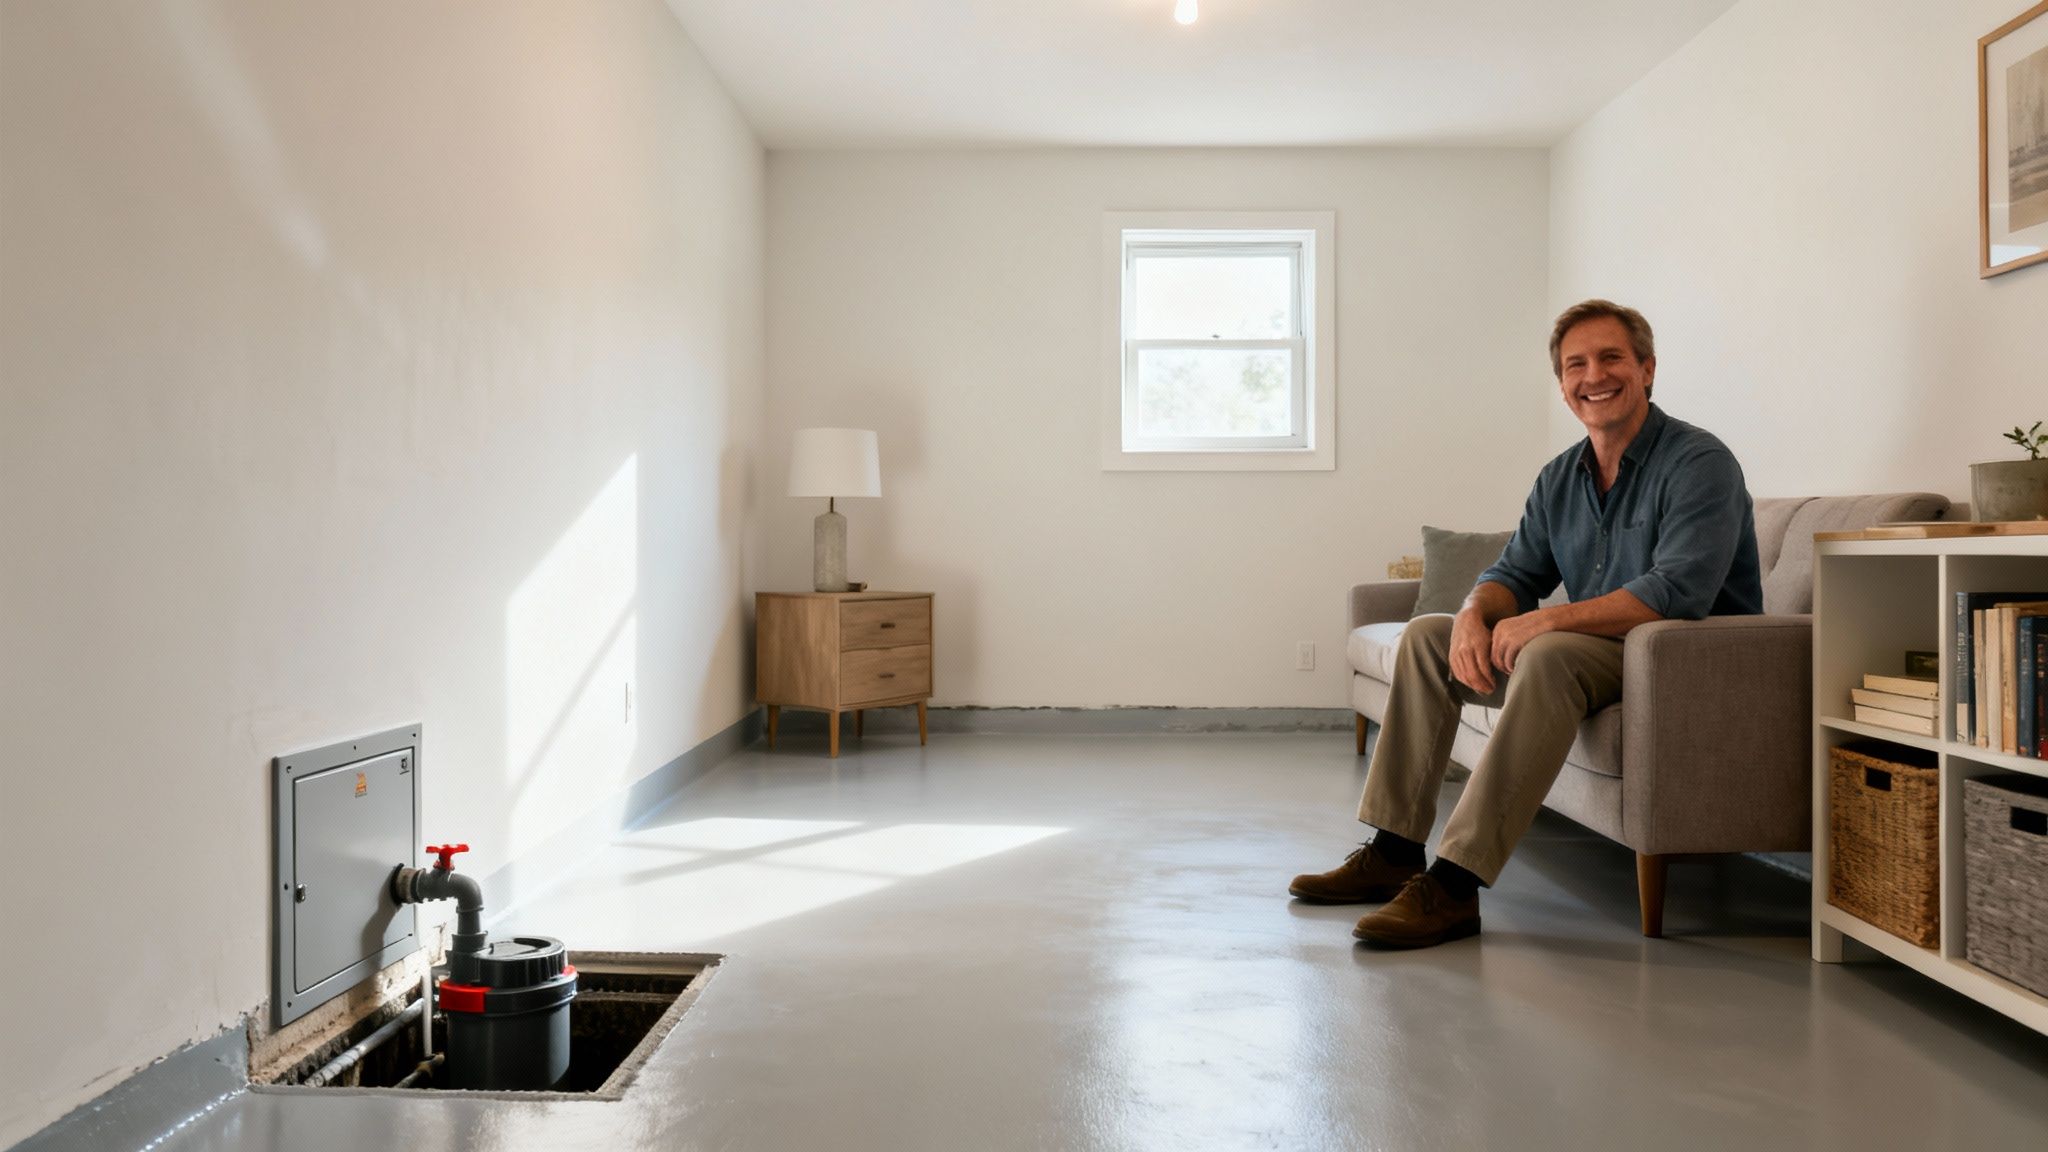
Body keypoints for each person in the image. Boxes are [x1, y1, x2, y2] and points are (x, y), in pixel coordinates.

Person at [1290, 299, 1761, 949]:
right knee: (1428, 637)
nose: (1593, 374)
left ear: (1648, 369)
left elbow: (1677, 589)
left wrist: (1544, 624)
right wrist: (1469, 616)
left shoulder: (1698, 463)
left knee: (1549, 654)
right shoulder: (1560, 477)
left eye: (1612, 358)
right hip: (1599, 652)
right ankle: (1396, 850)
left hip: (1680, 658)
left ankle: (1455, 886)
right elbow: (1514, 572)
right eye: (1576, 365)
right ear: (1565, 387)